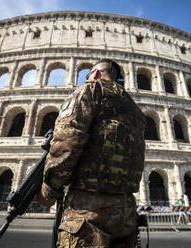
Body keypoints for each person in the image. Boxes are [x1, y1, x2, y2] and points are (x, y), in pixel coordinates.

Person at [38, 59, 146, 247]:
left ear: (94, 74)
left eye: (88, 75)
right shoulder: (135, 109)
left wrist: (50, 188)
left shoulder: (90, 90)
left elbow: (66, 142)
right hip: (126, 211)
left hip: (88, 208)